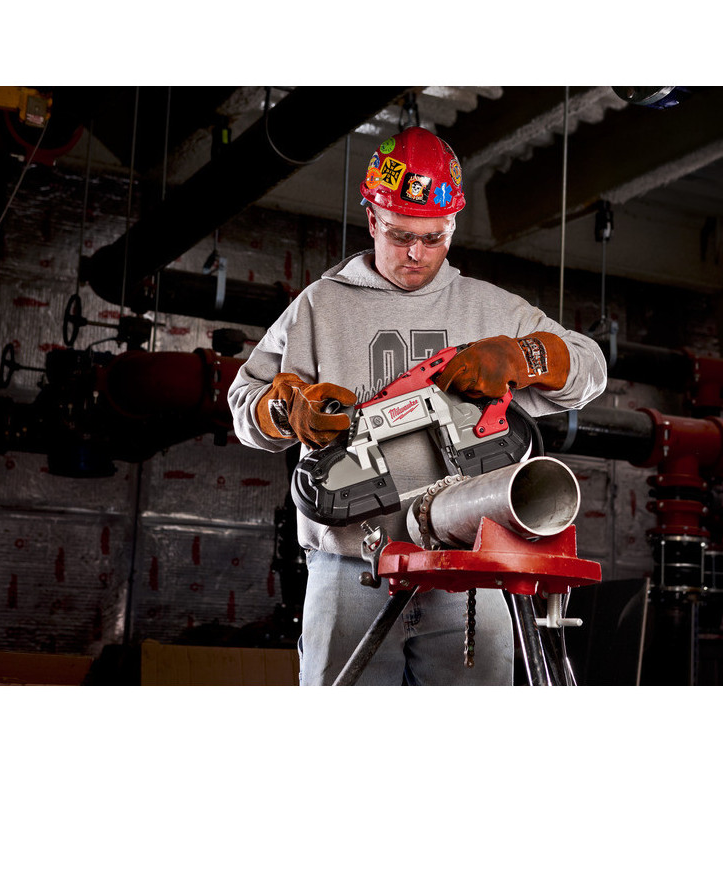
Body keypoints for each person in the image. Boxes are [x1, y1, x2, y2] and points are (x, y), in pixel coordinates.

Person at [228, 126, 607, 685]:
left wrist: (523, 356)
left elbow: (591, 368)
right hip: (351, 568)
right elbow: (244, 404)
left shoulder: (489, 309)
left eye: (434, 238)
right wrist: (286, 410)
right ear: (372, 219)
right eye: (401, 234)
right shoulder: (320, 307)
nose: (415, 254)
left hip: (471, 570)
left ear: (452, 225)